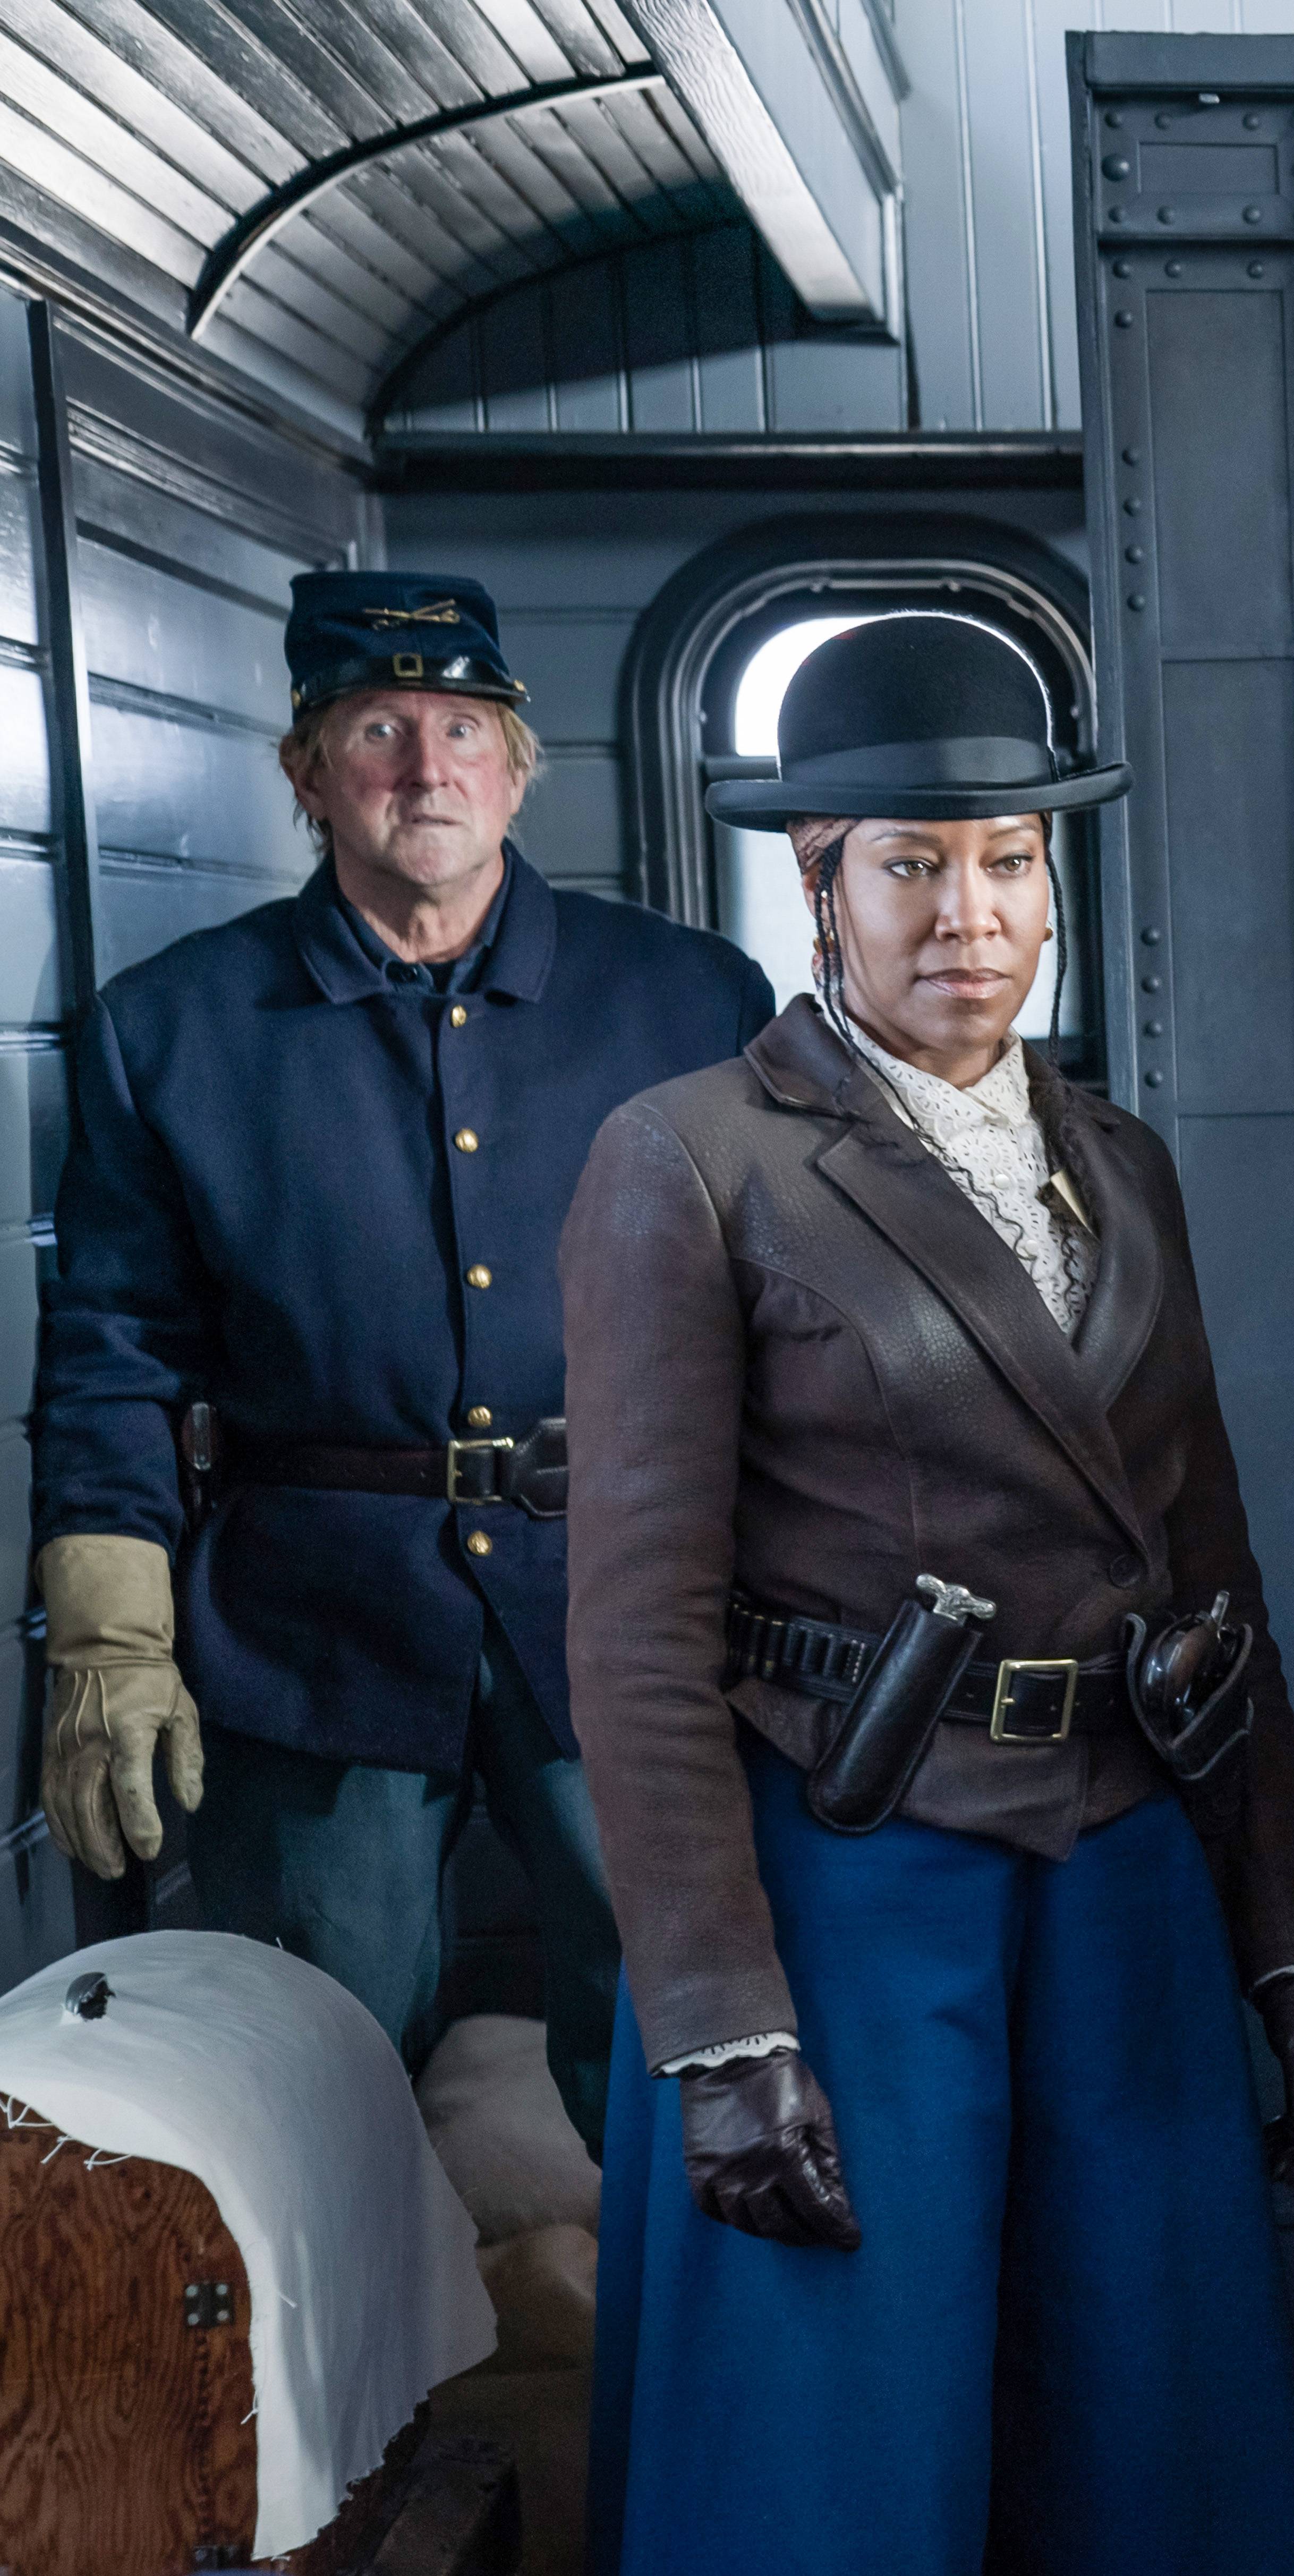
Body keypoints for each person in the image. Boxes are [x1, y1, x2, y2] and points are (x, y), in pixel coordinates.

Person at [563, 615, 1294, 2574]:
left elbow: (1211, 1566)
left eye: (1009, 859)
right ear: (817, 881)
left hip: (1122, 1863)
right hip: (847, 1869)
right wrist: (718, 2027)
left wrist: (1291, 1935)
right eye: (910, 862)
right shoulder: (691, 1159)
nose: (969, 913)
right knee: (842, 2450)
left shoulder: (1122, 1163)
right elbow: (639, 1638)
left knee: (1147, 2434)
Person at [30, 571, 772, 2149]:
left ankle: (679, 2395)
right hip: (312, 1629)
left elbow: (781, 1321)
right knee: (311, 2078)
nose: (425, 767)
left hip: (626, 1608)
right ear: (306, 773)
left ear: (517, 767)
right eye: (377, 728)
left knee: (683, 2048)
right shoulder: (169, 1028)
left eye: (462, 728)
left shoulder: (693, 1001)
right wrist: (108, 1630)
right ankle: (365, 2407)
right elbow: (113, 1355)